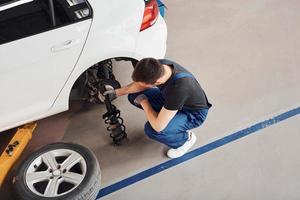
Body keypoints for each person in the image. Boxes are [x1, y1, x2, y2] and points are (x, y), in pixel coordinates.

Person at [101, 58, 212, 158]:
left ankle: (184, 140)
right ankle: (168, 117)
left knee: (153, 130)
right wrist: (116, 93)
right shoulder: (159, 66)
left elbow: (158, 126)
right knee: (133, 96)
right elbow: (139, 85)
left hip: (193, 114)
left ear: (157, 82)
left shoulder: (179, 88)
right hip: (172, 100)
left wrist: (144, 102)